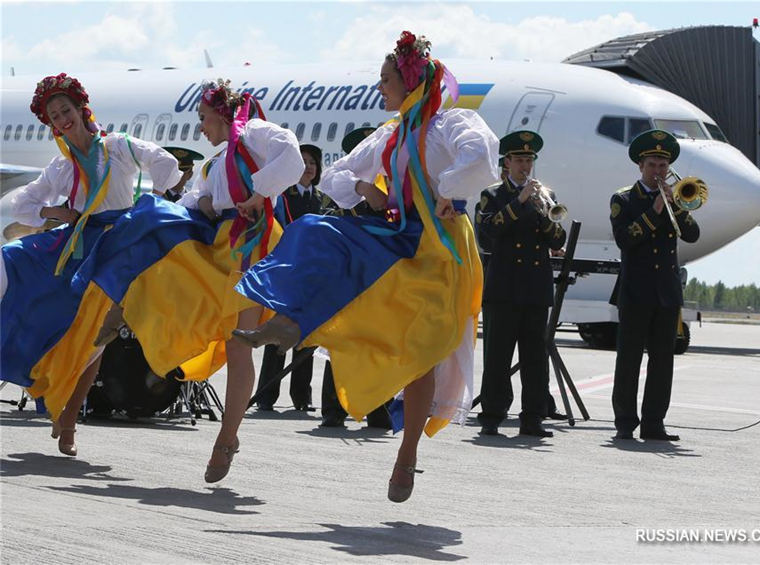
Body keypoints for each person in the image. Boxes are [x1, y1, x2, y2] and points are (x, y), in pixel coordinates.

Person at [233, 31, 499, 502]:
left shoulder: (450, 123)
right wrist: (363, 189)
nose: (379, 88)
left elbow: (480, 154)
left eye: (385, 80)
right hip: (397, 238)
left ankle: (407, 454)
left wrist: (448, 189)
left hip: (440, 249)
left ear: (409, 81)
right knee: (316, 229)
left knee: (423, 354)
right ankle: (292, 322)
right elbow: (338, 173)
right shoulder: (389, 135)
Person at [76, 79, 304, 480]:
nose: (200, 128)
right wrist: (200, 201)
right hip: (215, 249)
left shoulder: (252, 134)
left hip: (248, 245)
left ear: (221, 113)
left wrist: (257, 193)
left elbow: (292, 156)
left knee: (239, 346)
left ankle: (227, 438)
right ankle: (125, 306)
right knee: (156, 229)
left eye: (203, 118)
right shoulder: (213, 164)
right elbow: (190, 203)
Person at [0, 73, 185, 456]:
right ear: (50, 125)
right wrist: (57, 211)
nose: (62, 119)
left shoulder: (118, 146)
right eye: (54, 116)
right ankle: (61, 408)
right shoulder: (61, 167)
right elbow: (21, 203)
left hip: (121, 246)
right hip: (81, 244)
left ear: (81, 109)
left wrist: (157, 205)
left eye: (65, 110)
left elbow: (164, 161)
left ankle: (68, 419)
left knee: (97, 339)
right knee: (19, 267)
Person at [609, 129, 700, 441]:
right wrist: (656, 210)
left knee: (662, 362)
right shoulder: (623, 199)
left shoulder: (675, 199)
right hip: (635, 291)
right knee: (629, 359)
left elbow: (692, 235)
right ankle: (624, 422)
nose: (659, 172)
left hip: (666, 292)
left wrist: (677, 206)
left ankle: (654, 422)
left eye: (663, 166)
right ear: (640, 167)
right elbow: (625, 240)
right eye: (652, 165)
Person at [475, 131, 566, 438]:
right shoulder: (493, 195)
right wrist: (519, 202)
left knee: (535, 358)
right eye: (520, 160)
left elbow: (558, 238)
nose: (525, 166)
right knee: (498, 356)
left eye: (529, 160)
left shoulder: (546, 196)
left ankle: (533, 417)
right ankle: (492, 415)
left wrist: (543, 213)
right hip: (503, 287)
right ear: (507, 163)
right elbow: (487, 233)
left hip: (536, 288)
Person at [317, 127, 392, 430]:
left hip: (381, 275)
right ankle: (334, 409)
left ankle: (377, 408)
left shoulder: (389, 189)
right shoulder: (345, 192)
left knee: (378, 344)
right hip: (350, 277)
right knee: (341, 344)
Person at [251, 144, 324, 412]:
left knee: (307, 336)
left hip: (313, 274)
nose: (309, 166)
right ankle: (267, 395)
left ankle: (301, 396)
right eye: (303, 161)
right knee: (277, 333)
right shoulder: (283, 197)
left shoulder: (321, 199)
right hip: (287, 271)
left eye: (313, 162)